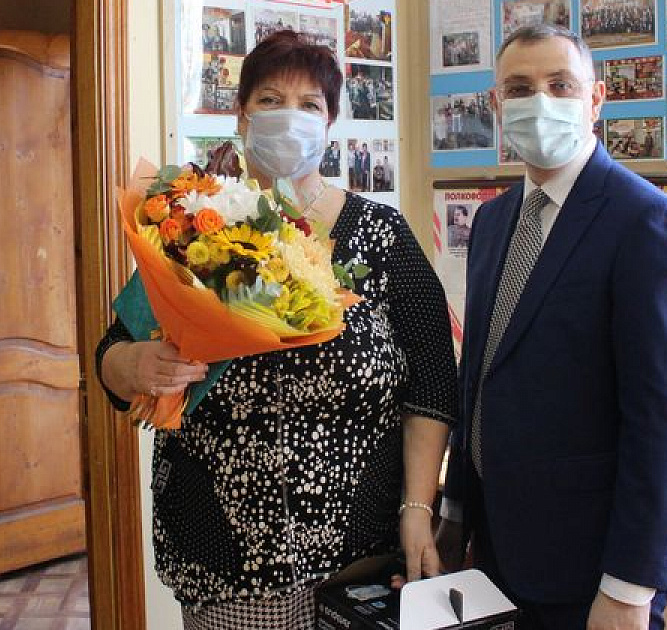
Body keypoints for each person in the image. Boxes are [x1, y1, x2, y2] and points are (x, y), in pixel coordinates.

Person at [96, 30, 457, 629]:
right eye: (269, 99)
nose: (289, 116)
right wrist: (134, 366)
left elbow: (433, 381)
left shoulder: (383, 235)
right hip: (224, 553)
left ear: (330, 123)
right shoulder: (192, 226)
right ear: (241, 115)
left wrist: (417, 507)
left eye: (309, 104)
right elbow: (112, 351)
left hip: (361, 553)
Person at [436, 24, 667, 630]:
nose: (540, 101)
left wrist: (630, 586)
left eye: (560, 85)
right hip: (497, 551)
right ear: (497, 104)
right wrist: (455, 514)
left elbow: (665, 424)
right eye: (519, 88)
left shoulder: (646, 222)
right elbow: (480, 375)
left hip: (593, 568)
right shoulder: (492, 221)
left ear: (596, 99)